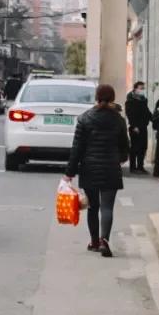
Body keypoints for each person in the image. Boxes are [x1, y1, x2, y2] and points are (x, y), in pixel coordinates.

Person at [65, 83, 129, 258]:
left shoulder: (85, 119)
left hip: (90, 168)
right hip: (110, 168)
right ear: (113, 98)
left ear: (96, 97)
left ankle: (94, 242)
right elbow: (125, 146)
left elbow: (77, 148)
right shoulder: (119, 120)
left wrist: (69, 172)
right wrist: (121, 158)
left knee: (93, 207)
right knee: (107, 207)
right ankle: (104, 241)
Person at [125, 81, 152, 174]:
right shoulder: (130, 100)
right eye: (141, 88)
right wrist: (134, 125)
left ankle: (140, 166)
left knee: (143, 147)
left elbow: (147, 112)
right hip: (135, 127)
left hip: (143, 126)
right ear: (135, 89)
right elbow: (129, 114)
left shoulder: (143, 100)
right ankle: (133, 167)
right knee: (135, 147)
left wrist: (154, 119)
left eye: (143, 88)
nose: (142, 90)